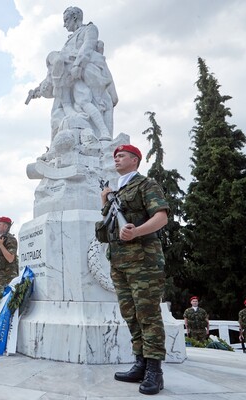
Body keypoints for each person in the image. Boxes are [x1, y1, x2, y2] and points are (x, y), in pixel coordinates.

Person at [99, 144, 169, 395]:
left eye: (122, 156)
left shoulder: (145, 184)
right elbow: (107, 227)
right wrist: (104, 201)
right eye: (115, 156)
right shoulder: (116, 191)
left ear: (135, 160)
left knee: (147, 314)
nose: (116, 159)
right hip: (119, 262)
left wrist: (137, 231)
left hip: (143, 261)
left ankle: (154, 371)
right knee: (131, 314)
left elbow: (161, 217)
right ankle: (140, 363)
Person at [28, 6, 116, 141]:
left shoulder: (89, 29)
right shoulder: (67, 42)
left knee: (84, 101)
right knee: (73, 105)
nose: (64, 25)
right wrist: (39, 89)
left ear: (74, 17)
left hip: (82, 72)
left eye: (66, 20)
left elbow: (88, 46)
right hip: (68, 77)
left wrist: (77, 66)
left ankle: (103, 133)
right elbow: (55, 69)